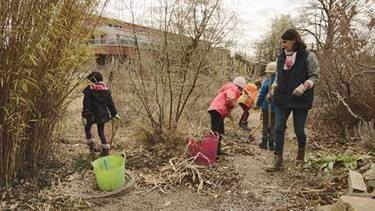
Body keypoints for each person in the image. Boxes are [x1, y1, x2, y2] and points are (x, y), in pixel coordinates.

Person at [266, 28, 320, 171]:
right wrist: (272, 89)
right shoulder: (281, 58)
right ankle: (278, 160)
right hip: (282, 98)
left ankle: (301, 153)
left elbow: (315, 76)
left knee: (299, 130)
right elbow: (278, 76)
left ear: (294, 40)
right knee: (278, 129)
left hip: (300, 98)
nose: (283, 45)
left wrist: (304, 86)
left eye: (285, 42)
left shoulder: (308, 56)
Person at [81, 71, 121, 156]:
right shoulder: (106, 90)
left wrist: (84, 116)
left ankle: (91, 148)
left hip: (91, 114)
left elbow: (86, 104)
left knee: (87, 128)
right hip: (102, 115)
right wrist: (114, 113)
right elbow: (110, 103)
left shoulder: (89, 90)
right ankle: (105, 151)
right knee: (101, 131)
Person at [208, 76, 246, 155]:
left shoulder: (229, 88)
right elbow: (230, 97)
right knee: (215, 132)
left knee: (220, 130)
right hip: (217, 110)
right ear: (240, 87)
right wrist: (231, 105)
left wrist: (228, 112)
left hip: (217, 110)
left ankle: (217, 150)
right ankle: (211, 151)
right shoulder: (234, 89)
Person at [254, 61, 277, 150]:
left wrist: (258, 104)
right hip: (277, 107)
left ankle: (264, 142)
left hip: (267, 106)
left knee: (266, 123)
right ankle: (272, 143)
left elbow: (262, 93)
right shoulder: (280, 80)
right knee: (273, 124)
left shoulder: (267, 81)